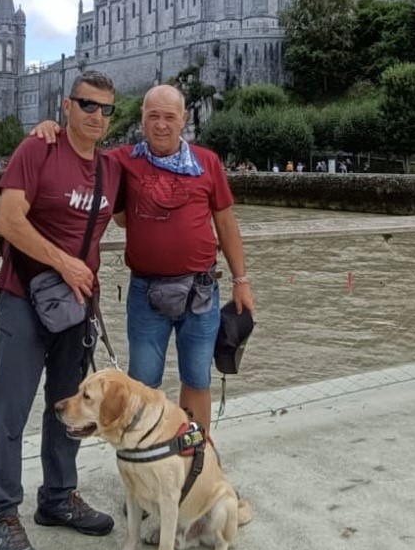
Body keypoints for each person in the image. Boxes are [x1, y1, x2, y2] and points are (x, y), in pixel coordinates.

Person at [32, 84, 255, 432]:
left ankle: (195, 453)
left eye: (169, 117)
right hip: (146, 292)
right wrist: (53, 129)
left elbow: (225, 222)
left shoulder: (207, 161)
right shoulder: (122, 161)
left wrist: (241, 281)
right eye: (153, 116)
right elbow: (82, 151)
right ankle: (145, 452)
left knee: (197, 377)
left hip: (201, 290)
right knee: (141, 383)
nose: (161, 125)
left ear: (184, 118)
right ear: (142, 119)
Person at [0, 71, 123, 550]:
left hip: (77, 307)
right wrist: (64, 262)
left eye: (107, 109)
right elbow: (8, 220)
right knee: (10, 411)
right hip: (24, 297)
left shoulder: (114, 169)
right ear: (67, 106)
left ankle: (58, 498)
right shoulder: (36, 150)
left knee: (70, 407)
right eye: (87, 105)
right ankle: (1, 516)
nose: (97, 116)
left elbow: (159, 192)